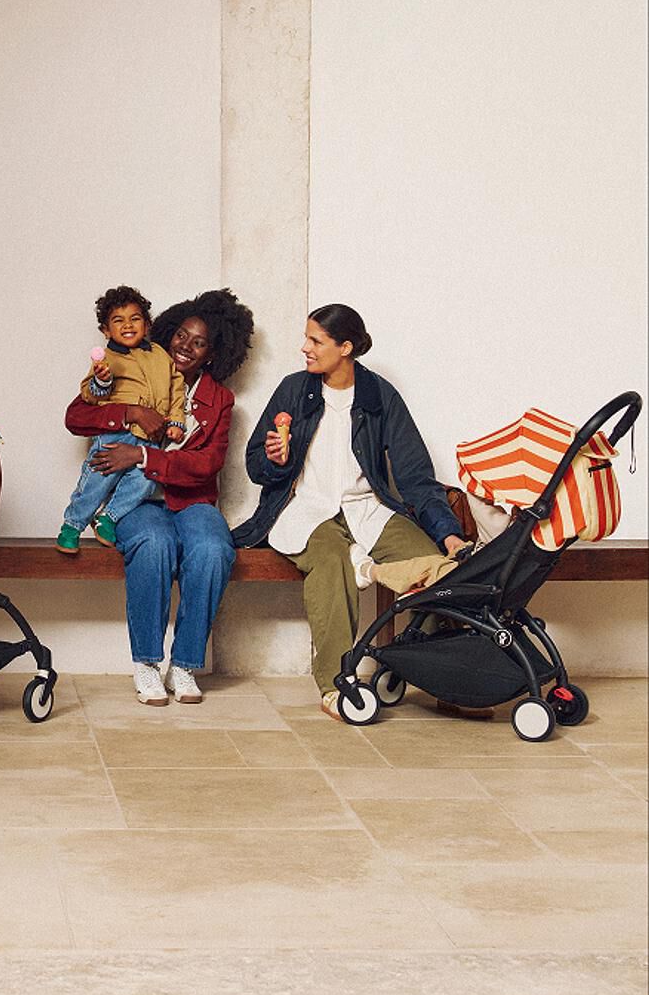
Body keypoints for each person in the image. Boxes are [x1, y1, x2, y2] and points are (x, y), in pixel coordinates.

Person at [233, 303, 466, 722]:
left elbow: (415, 476)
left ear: (345, 347)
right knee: (330, 561)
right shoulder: (293, 389)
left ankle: (442, 677)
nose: (304, 347)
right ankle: (337, 682)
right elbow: (256, 466)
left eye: (315, 341)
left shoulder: (379, 396)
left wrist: (448, 534)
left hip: (369, 509)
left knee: (435, 569)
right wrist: (276, 459)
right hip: (303, 509)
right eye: (306, 338)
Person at [65, 288, 254, 705]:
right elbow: (75, 417)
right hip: (136, 501)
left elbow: (207, 464)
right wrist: (131, 413)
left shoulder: (220, 399)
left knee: (212, 549)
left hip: (192, 500)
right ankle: (147, 665)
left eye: (199, 342)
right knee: (154, 544)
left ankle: (184, 665)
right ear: (167, 334)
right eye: (181, 336)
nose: (185, 347)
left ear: (212, 353)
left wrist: (143, 455)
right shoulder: (129, 368)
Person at [57, 286, 185, 553]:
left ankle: (109, 518)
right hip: (116, 436)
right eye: (118, 320)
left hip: (150, 439)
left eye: (135, 318)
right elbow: (91, 395)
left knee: (145, 482)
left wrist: (175, 421)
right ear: (106, 330)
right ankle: (72, 525)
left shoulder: (160, 355)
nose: (128, 325)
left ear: (147, 324)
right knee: (97, 480)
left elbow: (176, 386)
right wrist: (101, 380)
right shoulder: (107, 360)